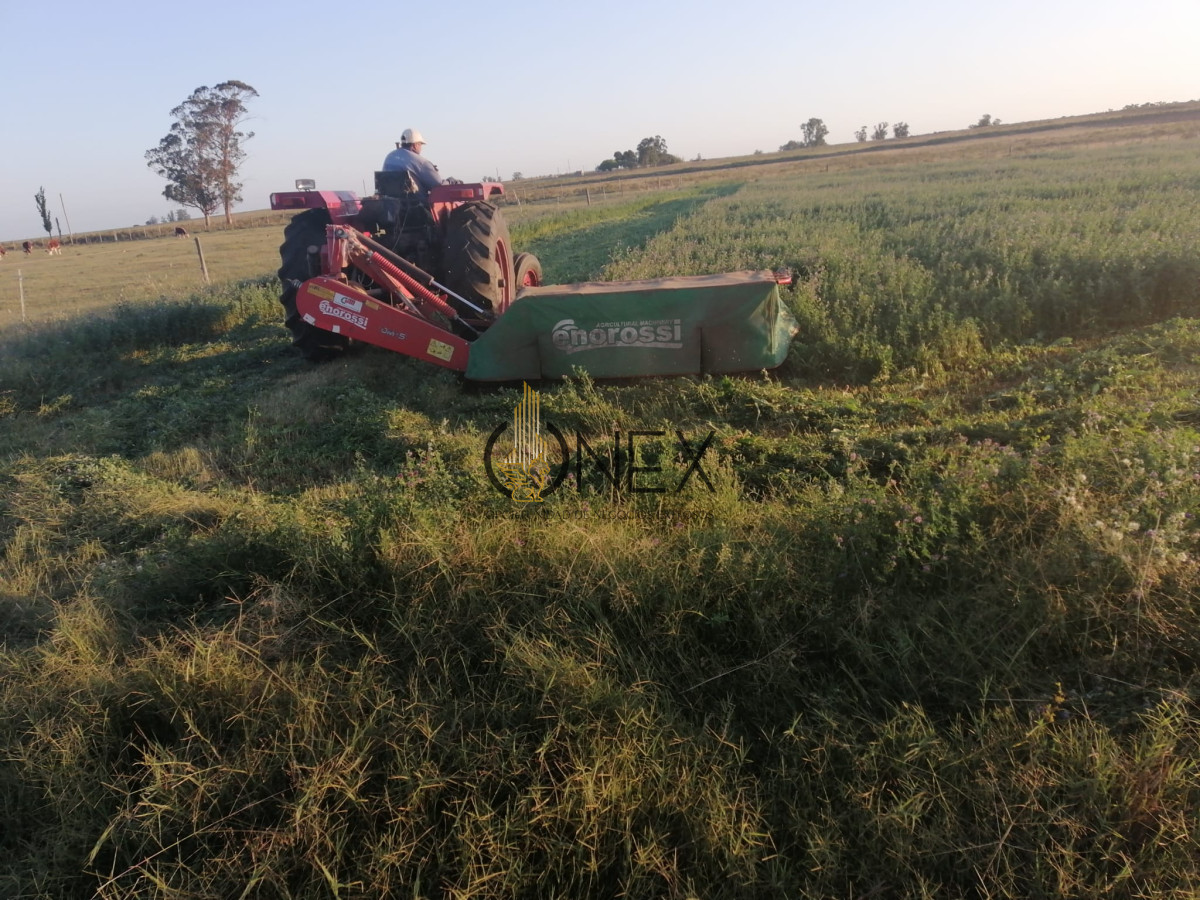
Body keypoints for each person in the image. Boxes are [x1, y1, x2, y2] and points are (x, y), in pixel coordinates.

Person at [381, 128, 443, 197]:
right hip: (419, 205)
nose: (421, 148)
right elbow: (438, 185)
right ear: (414, 145)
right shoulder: (421, 162)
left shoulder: (389, 157)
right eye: (420, 144)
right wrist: (450, 181)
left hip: (392, 205)